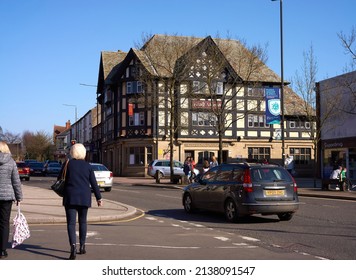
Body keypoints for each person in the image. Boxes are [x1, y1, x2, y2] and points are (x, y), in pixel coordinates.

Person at [60, 143, 103, 260]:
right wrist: (99, 198)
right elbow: (94, 184)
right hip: (84, 197)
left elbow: (60, 179)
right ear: (84, 153)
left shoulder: (67, 164)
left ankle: (73, 247)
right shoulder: (88, 166)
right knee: (83, 222)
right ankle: (82, 246)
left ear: (72, 152)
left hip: (70, 197)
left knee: (71, 223)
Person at [0, 141, 23, 259]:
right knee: (4, 223)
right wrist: (19, 197)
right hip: (7, 197)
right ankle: (3, 250)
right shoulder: (11, 162)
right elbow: (16, 182)